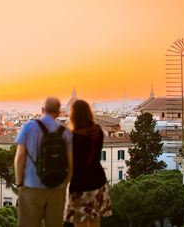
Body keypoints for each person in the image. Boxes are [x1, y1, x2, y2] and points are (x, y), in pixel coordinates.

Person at [14, 97, 73, 227]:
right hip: (56, 189)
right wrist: (64, 185)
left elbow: (20, 157)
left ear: (42, 110)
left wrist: (19, 183)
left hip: (31, 186)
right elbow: (70, 164)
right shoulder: (66, 133)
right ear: (59, 112)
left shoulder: (29, 127)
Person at [64, 100, 112, 227]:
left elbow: (70, 163)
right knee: (95, 221)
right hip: (98, 180)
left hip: (80, 184)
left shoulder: (73, 137)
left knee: (80, 223)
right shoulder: (98, 131)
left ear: (73, 115)